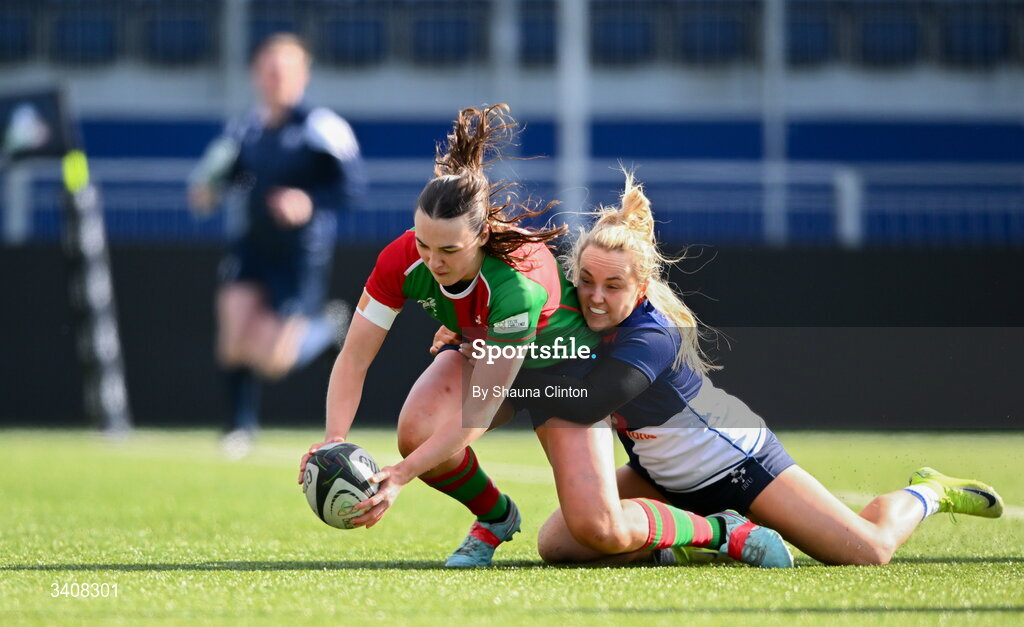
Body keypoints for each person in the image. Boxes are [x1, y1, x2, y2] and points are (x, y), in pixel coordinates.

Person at [300, 105, 793, 570]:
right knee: (419, 430)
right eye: (423, 243)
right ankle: (495, 517)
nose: (433, 261)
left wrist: (399, 477)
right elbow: (354, 359)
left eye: (448, 249)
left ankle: (722, 532)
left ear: (482, 236)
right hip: (488, 353)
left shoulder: (518, 283)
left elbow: (479, 411)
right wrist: (332, 441)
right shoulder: (401, 259)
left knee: (598, 529)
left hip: (562, 371)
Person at [488, 171, 1004, 566]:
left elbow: (595, 401)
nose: (596, 297)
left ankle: (929, 491)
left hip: (737, 464)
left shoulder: (653, 332)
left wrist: (518, 367)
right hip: (661, 476)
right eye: (586, 281)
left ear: (640, 288)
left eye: (614, 286)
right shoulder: (573, 313)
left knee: (868, 549)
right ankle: (705, 539)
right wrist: (475, 337)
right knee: (560, 543)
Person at [187, 33, 367, 457]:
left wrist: (308, 201)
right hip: (252, 247)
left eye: (284, 71)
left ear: (302, 76)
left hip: (299, 254)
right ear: (256, 75)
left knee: (272, 358)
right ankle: (239, 426)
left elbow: (353, 186)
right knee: (232, 334)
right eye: (268, 70)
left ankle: (327, 330)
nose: (274, 79)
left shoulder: (320, 127)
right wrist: (207, 192)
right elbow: (223, 179)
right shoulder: (245, 130)